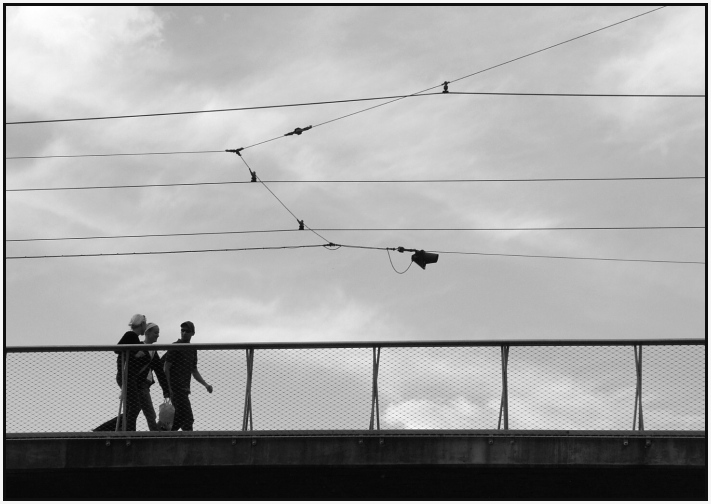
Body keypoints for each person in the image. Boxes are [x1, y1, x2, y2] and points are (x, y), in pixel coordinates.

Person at [94, 314, 148, 432]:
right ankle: (127, 431)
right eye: (145, 324)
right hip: (126, 376)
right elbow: (117, 349)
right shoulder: (131, 335)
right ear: (142, 324)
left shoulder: (135, 338)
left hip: (128, 376)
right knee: (134, 406)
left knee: (131, 408)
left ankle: (110, 429)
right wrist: (135, 352)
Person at [164, 321, 213, 431]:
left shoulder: (192, 349)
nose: (184, 333)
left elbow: (194, 370)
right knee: (187, 418)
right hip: (176, 389)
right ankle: (188, 442)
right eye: (182, 330)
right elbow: (166, 367)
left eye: (187, 331)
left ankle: (165, 433)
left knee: (180, 418)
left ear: (193, 333)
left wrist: (206, 385)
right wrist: (169, 388)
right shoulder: (175, 346)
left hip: (184, 389)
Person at [134, 322, 170, 431]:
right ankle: (155, 435)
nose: (158, 335)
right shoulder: (137, 347)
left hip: (143, 385)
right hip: (140, 385)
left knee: (133, 412)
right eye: (155, 332)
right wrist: (166, 391)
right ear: (147, 333)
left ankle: (120, 429)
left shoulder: (153, 351)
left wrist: (166, 391)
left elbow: (159, 372)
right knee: (150, 413)